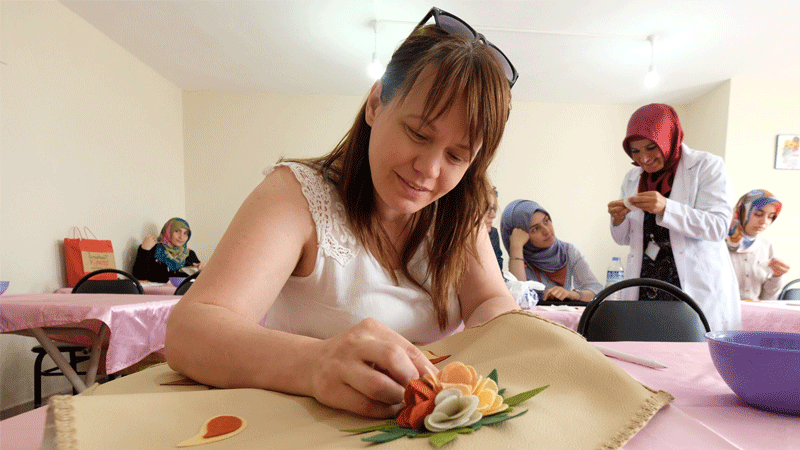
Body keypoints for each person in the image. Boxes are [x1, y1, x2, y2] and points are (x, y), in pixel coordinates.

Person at [165, 7, 520, 420]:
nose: (430, 169)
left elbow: (490, 301)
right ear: (375, 104)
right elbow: (190, 332)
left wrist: (502, 331)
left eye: (457, 156)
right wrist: (316, 362)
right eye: (418, 134)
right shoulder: (296, 195)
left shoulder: (459, 211)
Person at [607, 103, 740, 330]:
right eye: (635, 151)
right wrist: (618, 220)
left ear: (668, 139)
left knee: (692, 358)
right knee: (646, 353)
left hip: (693, 290)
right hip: (646, 288)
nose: (644, 159)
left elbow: (718, 227)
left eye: (651, 147)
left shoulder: (706, 166)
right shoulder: (633, 178)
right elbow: (626, 240)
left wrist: (667, 208)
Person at [500, 199, 602, 302]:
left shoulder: (567, 251)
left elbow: (597, 291)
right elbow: (519, 297)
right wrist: (516, 247)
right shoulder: (520, 258)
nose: (547, 231)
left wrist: (572, 294)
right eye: (535, 229)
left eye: (546, 221)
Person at [727, 189, 790, 300]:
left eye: (771, 217)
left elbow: (768, 297)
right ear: (742, 212)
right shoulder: (718, 244)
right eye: (758, 214)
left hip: (755, 313)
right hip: (722, 312)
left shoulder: (766, 245)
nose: (764, 221)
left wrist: (777, 276)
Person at [132, 217, 203, 283]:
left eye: (186, 233)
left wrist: (205, 269)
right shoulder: (152, 249)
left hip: (184, 295)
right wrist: (144, 250)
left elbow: (200, 281)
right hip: (155, 295)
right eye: (177, 231)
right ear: (168, 231)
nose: (181, 237)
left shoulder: (189, 254)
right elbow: (139, 276)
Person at [485, 185, 503, 271]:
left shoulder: (492, 233)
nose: (493, 215)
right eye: (486, 208)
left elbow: (498, 268)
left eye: (493, 209)